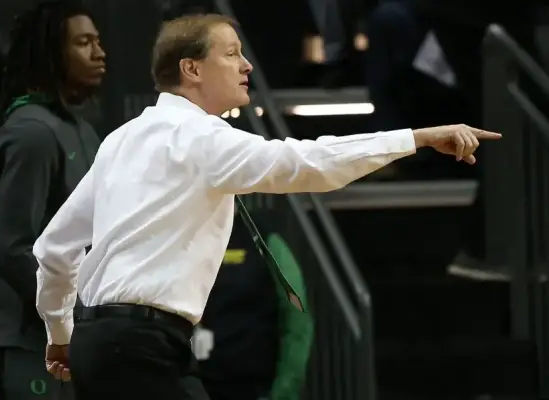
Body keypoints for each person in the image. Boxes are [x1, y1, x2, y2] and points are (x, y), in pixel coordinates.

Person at [33, 13, 499, 400]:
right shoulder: (201, 137)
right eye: (231, 53)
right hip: (140, 347)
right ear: (192, 69)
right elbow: (308, 162)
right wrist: (416, 138)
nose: (247, 64)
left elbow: (54, 248)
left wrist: (60, 335)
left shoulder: (121, 140)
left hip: (100, 343)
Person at [0, 1, 105, 399]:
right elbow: (14, 249)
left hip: (59, 339)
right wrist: (71, 316)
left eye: (98, 41)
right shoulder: (32, 132)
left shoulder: (83, 132)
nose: (99, 52)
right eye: (83, 43)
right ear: (52, 53)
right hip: (18, 340)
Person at [196, 211, 313, 400]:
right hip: (199, 387)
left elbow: (297, 321)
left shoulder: (264, 240)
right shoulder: (190, 240)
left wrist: (284, 392)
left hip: (256, 388)